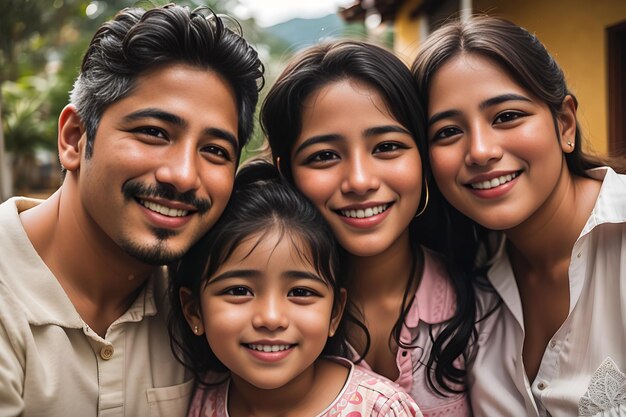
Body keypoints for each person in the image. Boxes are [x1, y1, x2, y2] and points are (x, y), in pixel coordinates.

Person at [0, 4, 263, 416]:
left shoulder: (205, 306)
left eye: (214, 150)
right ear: (74, 138)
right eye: (154, 133)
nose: (182, 175)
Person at [411, 16, 626, 417]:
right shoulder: (457, 280)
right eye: (446, 132)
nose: (480, 151)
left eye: (506, 116)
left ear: (565, 124)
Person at [261, 40, 481, 416]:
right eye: (324, 156)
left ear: (425, 159)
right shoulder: (260, 320)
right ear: (287, 174)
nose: (360, 181)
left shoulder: (483, 302)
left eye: (387, 147)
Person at [168, 160, 422, 417]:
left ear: (335, 312)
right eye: (239, 291)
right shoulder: (201, 402)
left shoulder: (380, 410)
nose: (271, 318)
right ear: (194, 311)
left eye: (300, 292)